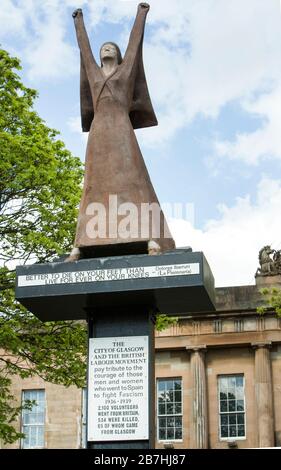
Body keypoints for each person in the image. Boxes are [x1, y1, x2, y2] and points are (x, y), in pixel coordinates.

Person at [68, 3, 175, 261]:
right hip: (98, 135)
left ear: (116, 54)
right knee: (92, 187)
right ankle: (79, 245)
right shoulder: (93, 74)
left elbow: (134, 47)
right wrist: (78, 23)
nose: (106, 48)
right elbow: (84, 51)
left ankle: (150, 237)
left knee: (135, 181)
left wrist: (141, 14)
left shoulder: (125, 72)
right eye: (103, 47)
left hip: (122, 131)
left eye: (111, 47)